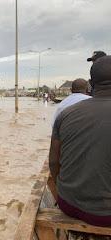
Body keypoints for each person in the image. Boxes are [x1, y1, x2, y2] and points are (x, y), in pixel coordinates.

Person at [49, 55, 111, 227]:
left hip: (69, 205)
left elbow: (53, 163)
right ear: (86, 87)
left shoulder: (65, 113)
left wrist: (62, 191)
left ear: (91, 84)